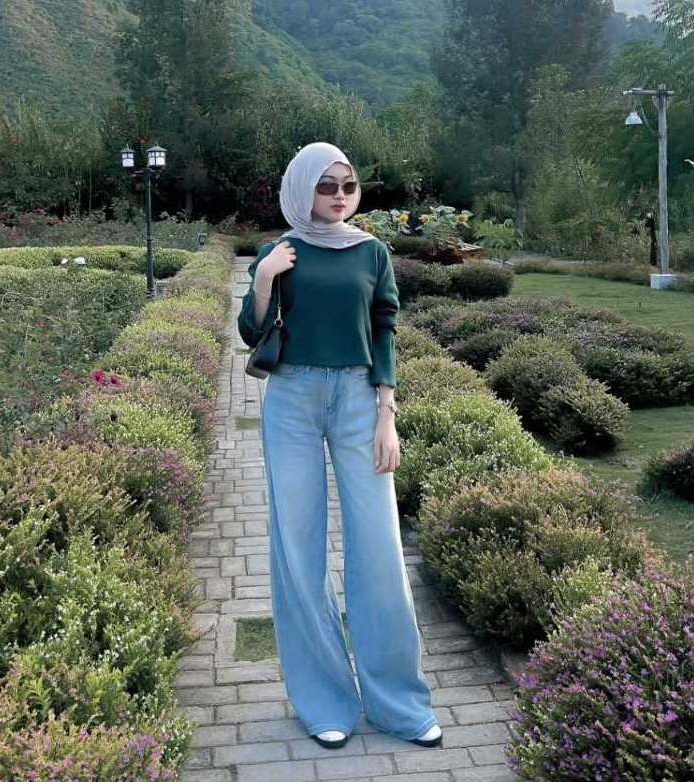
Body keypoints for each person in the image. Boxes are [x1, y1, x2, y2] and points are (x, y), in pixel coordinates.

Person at [237, 142, 442, 751]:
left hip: (358, 398)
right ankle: (324, 701)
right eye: (325, 185)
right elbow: (250, 331)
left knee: (378, 543)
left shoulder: (372, 251)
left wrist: (387, 414)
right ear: (303, 189)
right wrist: (264, 280)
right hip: (292, 398)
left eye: (348, 185)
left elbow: (384, 329)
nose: (339, 195)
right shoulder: (280, 250)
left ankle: (398, 703)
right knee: (298, 546)